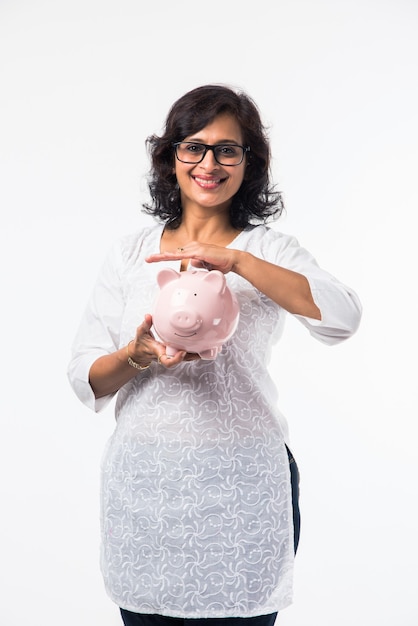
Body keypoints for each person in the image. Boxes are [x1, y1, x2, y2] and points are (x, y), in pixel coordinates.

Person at [67, 84, 362, 626]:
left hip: (242, 486)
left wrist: (236, 261)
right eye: (194, 146)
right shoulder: (131, 253)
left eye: (229, 149)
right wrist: (138, 355)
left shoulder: (269, 249)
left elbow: (343, 319)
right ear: (171, 157)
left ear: (249, 163)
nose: (209, 162)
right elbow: (86, 375)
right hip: (146, 487)